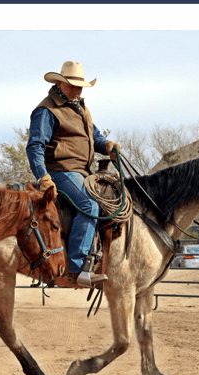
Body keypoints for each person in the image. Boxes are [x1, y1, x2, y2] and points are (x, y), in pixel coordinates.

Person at [26, 61, 120, 287]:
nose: (78, 90)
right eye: (72, 85)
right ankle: (78, 268)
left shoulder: (81, 108)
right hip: (61, 171)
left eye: (80, 86)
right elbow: (35, 146)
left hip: (82, 172)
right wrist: (43, 177)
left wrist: (106, 146)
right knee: (89, 205)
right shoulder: (46, 110)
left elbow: (93, 138)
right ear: (59, 83)